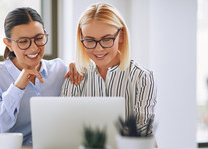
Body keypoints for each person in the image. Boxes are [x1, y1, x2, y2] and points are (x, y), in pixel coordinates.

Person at [0, 7, 79, 145]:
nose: (34, 48)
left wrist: (80, 66)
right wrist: (17, 88)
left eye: (39, 38)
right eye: (23, 41)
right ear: (9, 44)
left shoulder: (59, 70)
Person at [61, 3, 157, 136]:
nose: (98, 49)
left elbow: (143, 130)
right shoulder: (75, 76)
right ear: (81, 38)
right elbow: (65, 126)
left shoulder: (142, 77)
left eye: (107, 39)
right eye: (90, 40)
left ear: (121, 36)